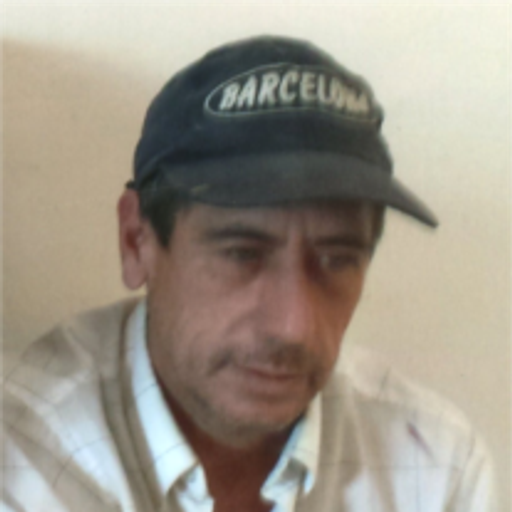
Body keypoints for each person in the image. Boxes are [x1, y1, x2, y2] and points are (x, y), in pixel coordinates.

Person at [0, 36, 497, 512]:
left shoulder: (436, 465)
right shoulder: (30, 458)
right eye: (242, 254)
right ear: (136, 241)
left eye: (337, 259)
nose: (294, 326)